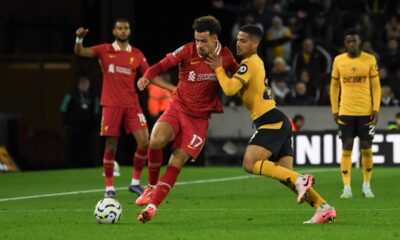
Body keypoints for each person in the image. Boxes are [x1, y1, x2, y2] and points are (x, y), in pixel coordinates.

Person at [206, 24, 336, 224]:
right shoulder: (254, 63)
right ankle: (323, 207)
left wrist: (218, 70)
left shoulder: (249, 63)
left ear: (255, 43)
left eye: (244, 40)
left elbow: (230, 89)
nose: (238, 44)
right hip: (278, 121)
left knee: (249, 164)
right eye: (238, 39)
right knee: (286, 177)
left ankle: (302, 180)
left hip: (270, 121)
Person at [135, 15, 239, 223]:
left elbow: (240, 81)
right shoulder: (186, 50)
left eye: (204, 41)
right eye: (197, 40)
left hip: (199, 120)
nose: (199, 45)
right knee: (155, 141)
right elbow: (160, 66)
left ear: (215, 39)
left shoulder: (225, 57)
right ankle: (151, 187)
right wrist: (147, 76)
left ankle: (152, 207)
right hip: (178, 108)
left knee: (177, 160)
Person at [74, 18, 152, 198]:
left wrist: (158, 83)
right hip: (111, 105)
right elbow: (80, 52)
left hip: (132, 105)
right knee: (111, 145)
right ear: (114, 32)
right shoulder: (104, 50)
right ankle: (109, 188)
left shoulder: (137, 54)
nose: (123, 31)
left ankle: (135, 183)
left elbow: (148, 73)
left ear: (130, 31)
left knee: (145, 142)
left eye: (126, 28)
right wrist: (79, 39)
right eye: (120, 28)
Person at [330, 29, 381, 199]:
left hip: (365, 111)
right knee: (347, 145)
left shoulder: (369, 60)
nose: (351, 44)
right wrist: (335, 109)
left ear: (359, 43)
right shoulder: (338, 60)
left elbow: (376, 86)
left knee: (366, 146)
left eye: (354, 41)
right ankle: (347, 187)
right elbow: (334, 87)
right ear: (345, 44)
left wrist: (376, 108)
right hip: (346, 111)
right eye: (348, 42)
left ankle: (367, 185)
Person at [60, 76, 100, 167]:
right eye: (82, 83)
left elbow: (97, 113)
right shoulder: (70, 95)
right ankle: (71, 167)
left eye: (86, 83)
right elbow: (62, 110)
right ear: (78, 84)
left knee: (88, 151)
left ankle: (88, 167)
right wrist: (66, 124)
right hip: (74, 129)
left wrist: (97, 128)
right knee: (72, 150)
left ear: (89, 85)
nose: (84, 85)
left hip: (88, 129)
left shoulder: (94, 97)